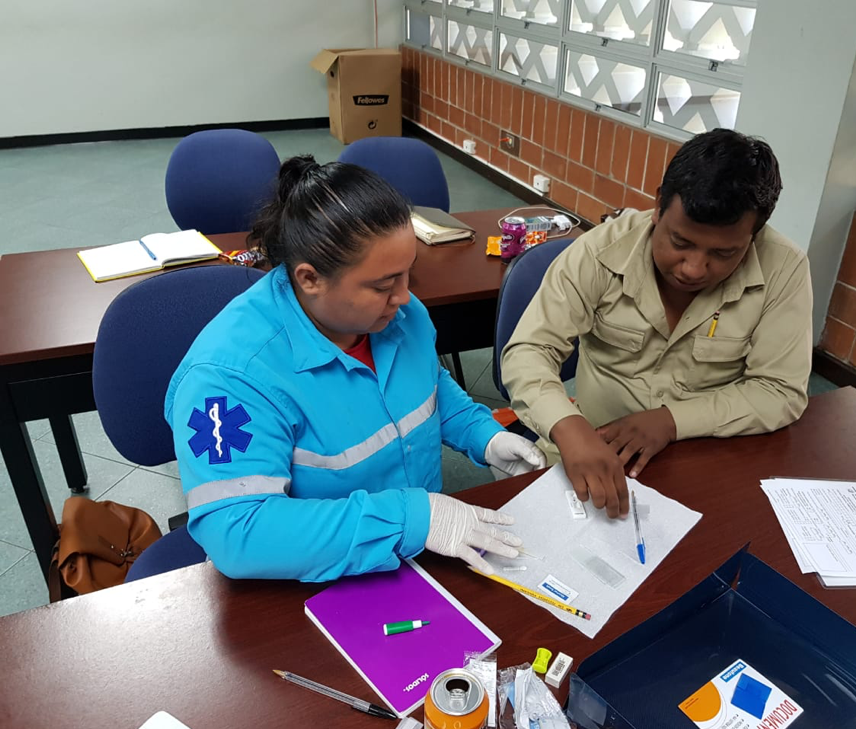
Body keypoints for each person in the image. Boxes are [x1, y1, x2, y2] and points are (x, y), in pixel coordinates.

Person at [166, 156, 545, 582]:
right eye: (384, 285)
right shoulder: (230, 378)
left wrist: (484, 435)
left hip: (412, 556)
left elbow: (428, 386)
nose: (404, 298)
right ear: (310, 279)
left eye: (408, 274)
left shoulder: (396, 317)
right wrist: (410, 520)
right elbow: (238, 533)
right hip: (310, 581)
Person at [501, 129, 812, 519]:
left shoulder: (784, 268)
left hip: (704, 458)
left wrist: (671, 422)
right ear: (659, 205)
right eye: (680, 242)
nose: (694, 268)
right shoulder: (600, 252)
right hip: (592, 447)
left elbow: (780, 390)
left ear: (755, 234)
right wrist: (568, 427)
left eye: (723, 253)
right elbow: (529, 351)